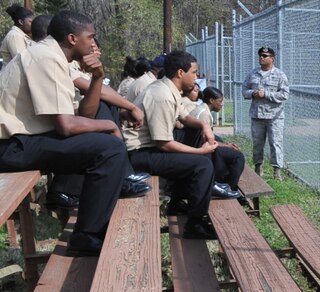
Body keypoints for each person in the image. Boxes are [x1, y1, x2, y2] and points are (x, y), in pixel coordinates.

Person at [0, 11, 126, 257]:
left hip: (24, 140)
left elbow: (86, 116)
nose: (93, 43)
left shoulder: (56, 57)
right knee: (109, 149)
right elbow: (67, 126)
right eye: (90, 37)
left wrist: (98, 77)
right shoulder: (45, 57)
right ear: (71, 38)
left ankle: (92, 221)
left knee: (104, 136)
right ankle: (86, 236)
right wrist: (110, 127)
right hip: (10, 146)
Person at [124, 50, 218, 239]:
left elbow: (184, 116)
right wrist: (199, 152)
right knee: (203, 165)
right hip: (139, 154)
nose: (196, 77)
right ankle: (195, 224)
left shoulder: (169, 88)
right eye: (194, 72)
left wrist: (204, 124)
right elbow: (164, 144)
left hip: (150, 148)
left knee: (196, 135)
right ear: (181, 73)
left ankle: (177, 202)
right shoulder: (162, 95)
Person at [45, 41, 150, 209]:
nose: (96, 52)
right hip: (64, 119)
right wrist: (131, 106)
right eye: (91, 46)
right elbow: (97, 91)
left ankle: (123, 174)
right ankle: (119, 177)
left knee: (104, 107)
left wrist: (124, 111)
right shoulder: (66, 63)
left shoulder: (81, 67)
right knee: (99, 109)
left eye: (96, 48)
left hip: (74, 117)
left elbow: (102, 91)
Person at [242, 46, 289, 180]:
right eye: (260, 55)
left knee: (275, 143)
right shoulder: (253, 74)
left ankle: (277, 172)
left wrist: (266, 94)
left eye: (265, 56)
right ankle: (258, 168)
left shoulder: (280, 75)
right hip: (257, 116)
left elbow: (285, 94)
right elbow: (244, 89)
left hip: (275, 117)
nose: (261, 58)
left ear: (272, 58)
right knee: (257, 144)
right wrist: (253, 93)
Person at [192, 87, 246, 202]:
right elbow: (207, 141)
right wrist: (226, 146)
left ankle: (227, 185)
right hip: (199, 151)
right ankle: (230, 188)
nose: (222, 104)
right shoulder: (204, 114)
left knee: (228, 149)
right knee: (238, 156)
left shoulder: (203, 109)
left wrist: (226, 144)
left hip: (200, 147)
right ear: (211, 100)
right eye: (220, 101)